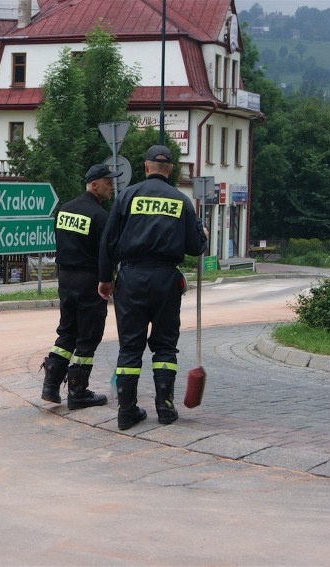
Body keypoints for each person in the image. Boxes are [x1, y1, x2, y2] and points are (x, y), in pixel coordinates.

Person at [98, 145, 208, 431]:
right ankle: (166, 408)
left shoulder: (126, 196)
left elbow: (108, 241)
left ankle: (126, 411)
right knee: (164, 345)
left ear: (146, 167)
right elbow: (195, 248)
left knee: (130, 346)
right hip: (165, 279)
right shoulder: (181, 201)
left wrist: (105, 278)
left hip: (131, 278)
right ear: (170, 170)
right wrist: (202, 234)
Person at [41, 163, 121, 409]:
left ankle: (51, 385)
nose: (112, 187)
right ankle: (78, 391)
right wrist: (108, 280)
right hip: (89, 281)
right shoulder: (100, 216)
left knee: (67, 331)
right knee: (88, 335)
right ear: (94, 184)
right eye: (108, 183)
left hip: (65, 278)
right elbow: (106, 253)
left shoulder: (65, 210)